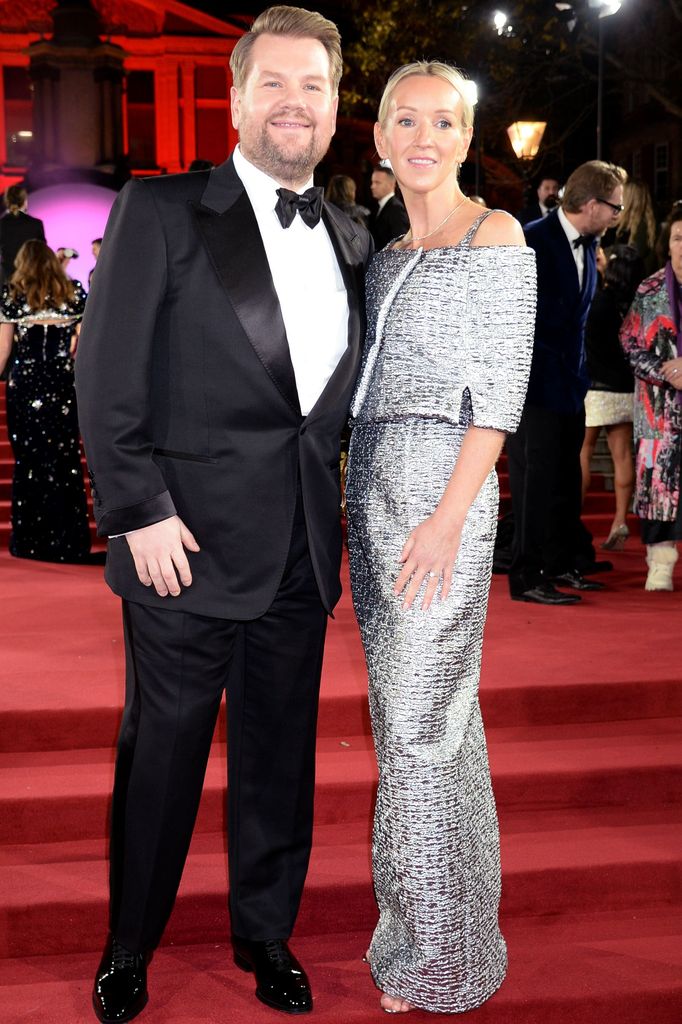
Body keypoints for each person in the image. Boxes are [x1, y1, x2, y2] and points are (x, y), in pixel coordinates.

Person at [75, 7, 371, 1022]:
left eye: (315, 88)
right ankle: (129, 946)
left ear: (336, 110)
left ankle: (265, 932)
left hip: (297, 549)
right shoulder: (163, 212)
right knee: (162, 752)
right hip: (182, 549)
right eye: (275, 83)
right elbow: (105, 375)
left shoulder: (349, 234)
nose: (296, 103)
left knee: (280, 758)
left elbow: (322, 412)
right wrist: (137, 511)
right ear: (238, 97)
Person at [345, 61, 535, 1014]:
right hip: (372, 496)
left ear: (468, 138)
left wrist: (449, 519)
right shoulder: (383, 252)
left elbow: (498, 399)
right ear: (380, 137)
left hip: (440, 504)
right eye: (405, 120)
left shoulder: (497, 235)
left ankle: (441, 964)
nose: (424, 137)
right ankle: (436, 926)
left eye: (445, 122)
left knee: (421, 731)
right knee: (422, 730)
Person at [506, 160, 627, 605]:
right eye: (614, 207)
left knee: (562, 480)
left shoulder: (591, 247)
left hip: (572, 387)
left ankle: (560, 564)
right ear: (592, 204)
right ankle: (527, 575)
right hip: (532, 388)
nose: (618, 215)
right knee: (533, 484)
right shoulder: (531, 238)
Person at [0, 240, 90, 562]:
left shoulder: (13, 296)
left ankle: (31, 540)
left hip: (25, 386)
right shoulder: (74, 293)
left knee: (29, 458)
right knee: (65, 459)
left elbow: (3, 353)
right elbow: (88, 346)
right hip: (63, 383)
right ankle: (68, 541)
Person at [620, 204, 682, 590]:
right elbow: (627, 341)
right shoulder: (649, 289)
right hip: (659, 410)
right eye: (679, 238)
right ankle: (660, 565)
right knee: (660, 486)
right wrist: (664, 371)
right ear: (668, 244)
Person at [580, 245, 644, 550]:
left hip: (596, 388)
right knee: (621, 457)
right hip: (626, 390)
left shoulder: (597, 301)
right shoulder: (637, 305)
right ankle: (619, 519)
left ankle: (573, 520)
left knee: (583, 453)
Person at [603, 180, 657, 276]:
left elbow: (631, 257)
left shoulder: (642, 226)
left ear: (630, 199)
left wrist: (607, 253)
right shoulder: (628, 223)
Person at [0, 184, 46, 286]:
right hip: (30, 280)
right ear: (25, 201)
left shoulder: (2, 224)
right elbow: (42, 253)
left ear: (7, 201)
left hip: (6, 280)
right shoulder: (35, 224)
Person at [368, 163, 409, 249]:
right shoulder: (377, 207)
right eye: (372, 182)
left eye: (377, 183)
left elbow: (401, 241)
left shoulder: (396, 209)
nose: (372, 186)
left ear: (391, 184)